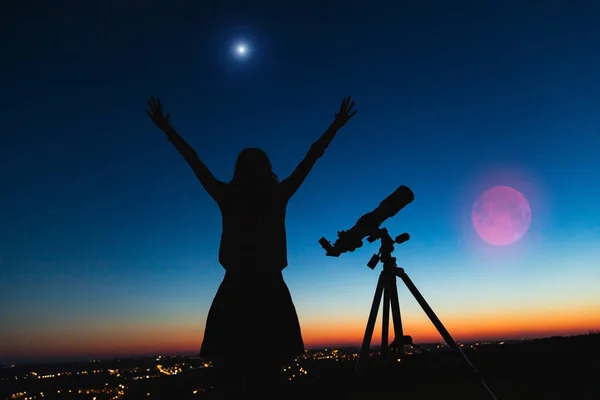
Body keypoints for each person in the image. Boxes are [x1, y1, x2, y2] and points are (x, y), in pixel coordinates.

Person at [145, 96, 357, 398]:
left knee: (237, 376)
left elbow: (194, 160)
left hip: (238, 292)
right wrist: (334, 126)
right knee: (265, 377)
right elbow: (311, 158)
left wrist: (168, 129)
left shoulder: (229, 195)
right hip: (265, 291)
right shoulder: (275, 195)